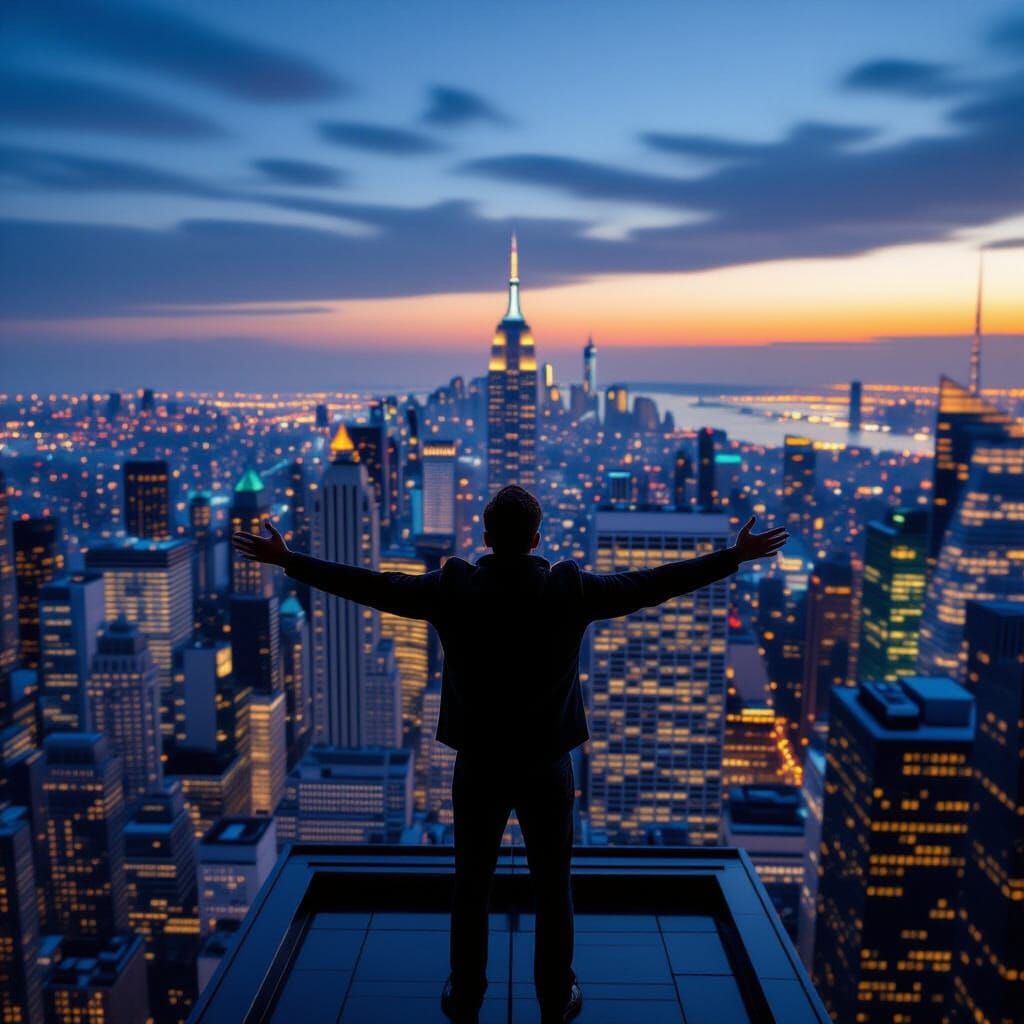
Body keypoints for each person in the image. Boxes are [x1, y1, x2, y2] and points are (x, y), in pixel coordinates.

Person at [233, 484, 788, 1023]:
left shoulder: (454, 588)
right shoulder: (566, 590)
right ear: (538, 538)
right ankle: (554, 995)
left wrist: (291, 562)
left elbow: (373, 586)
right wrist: (731, 557)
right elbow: (650, 583)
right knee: (553, 886)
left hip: (479, 764)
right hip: (547, 764)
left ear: (485, 534)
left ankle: (467, 992)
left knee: (471, 883)